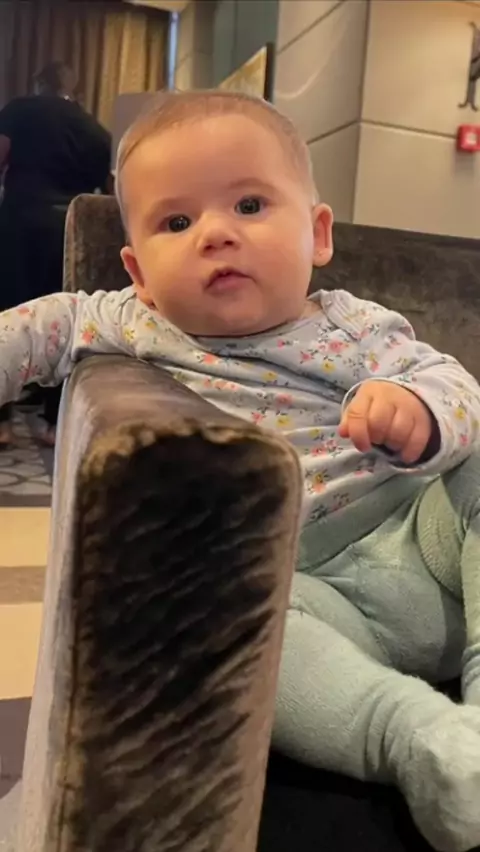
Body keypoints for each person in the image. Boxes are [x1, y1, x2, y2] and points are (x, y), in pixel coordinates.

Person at [0, 89, 480, 851]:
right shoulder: (134, 321)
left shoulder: (356, 325)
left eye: (250, 205)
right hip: (302, 590)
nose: (216, 234)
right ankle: (423, 741)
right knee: (228, 630)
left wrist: (417, 409)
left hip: (418, 540)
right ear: (139, 271)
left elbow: (454, 383)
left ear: (317, 234)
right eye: (176, 223)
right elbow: (37, 332)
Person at [0, 60, 112, 447]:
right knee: (63, 318)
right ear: (72, 86)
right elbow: (108, 186)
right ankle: (52, 421)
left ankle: (2, 422)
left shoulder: (19, 109)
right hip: (71, 227)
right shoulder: (93, 127)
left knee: (7, 309)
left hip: (21, 217)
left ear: (38, 83)